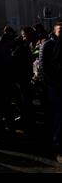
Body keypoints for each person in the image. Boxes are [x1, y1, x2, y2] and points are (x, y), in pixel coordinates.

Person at [40, 22, 62, 163]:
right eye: (61, 30)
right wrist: (51, 82)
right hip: (55, 86)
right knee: (59, 116)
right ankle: (58, 148)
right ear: (54, 31)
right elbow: (43, 67)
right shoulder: (48, 44)